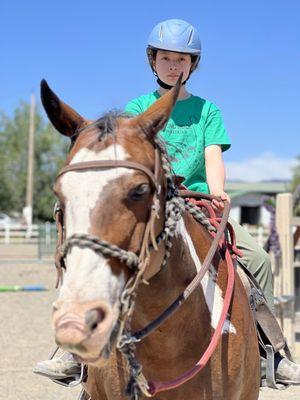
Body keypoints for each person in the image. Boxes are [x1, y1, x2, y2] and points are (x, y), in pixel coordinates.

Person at [34, 18, 300, 387]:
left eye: (182, 59)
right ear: (152, 61)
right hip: (154, 202)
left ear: (193, 65)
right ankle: (76, 353)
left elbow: (212, 157)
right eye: (166, 58)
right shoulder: (137, 108)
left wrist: (218, 190)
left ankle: (269, 349)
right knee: (99, 247)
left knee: (257, 258)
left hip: (198, 201)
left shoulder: (208, 111)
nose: (174, 66)